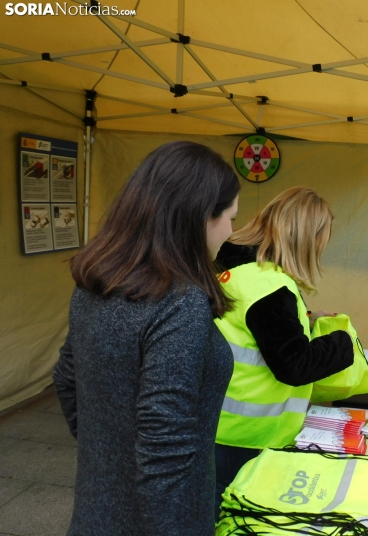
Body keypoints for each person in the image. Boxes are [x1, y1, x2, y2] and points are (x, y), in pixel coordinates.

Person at [53, 141, 240, 535]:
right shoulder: (180, 302)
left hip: (95, 512)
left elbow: (67, 380)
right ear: (200, 217)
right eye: (230, 217)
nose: (231, 231)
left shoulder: (96, 283)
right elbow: (165, 447)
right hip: (162, 521)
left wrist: (110, 457)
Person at [213, 187, 354, 517]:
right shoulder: (270, 288)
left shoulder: (235, 266)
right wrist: (343, 343)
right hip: (248, 439)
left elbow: (256, 334)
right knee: (239, 521)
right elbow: (294, 364)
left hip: (219, 428)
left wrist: (306, 319)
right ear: (306, 237)